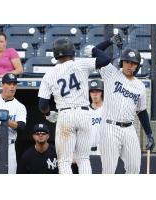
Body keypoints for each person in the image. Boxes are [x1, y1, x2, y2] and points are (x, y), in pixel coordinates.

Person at [38, 37, 112, 174]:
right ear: (72, 51)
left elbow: (42, 104)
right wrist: (95, 49)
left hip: (65, 115)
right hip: (84, 113)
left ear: (55, 54)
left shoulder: (49, 74)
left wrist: (48, 114)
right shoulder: (80, 64)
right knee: (83, 158)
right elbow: (106, 59)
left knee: (64, 161)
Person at [87, 36, 155, 173]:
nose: (130, 65)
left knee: (134, 168)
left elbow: (141, 111)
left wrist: (149, 134)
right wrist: (110, 41)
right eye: (127, 62)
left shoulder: (140, 86)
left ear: (137, 65)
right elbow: (95, 50)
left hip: (129, 129)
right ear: (122, 62)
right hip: (109, 128)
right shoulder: (111, 72)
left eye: (133, 63)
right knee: (109, 170)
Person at [0, 73, 27, 173]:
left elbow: (21, 126)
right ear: (2, 85)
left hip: (9, 146)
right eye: (9, 83)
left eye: (14, 84)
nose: (12, 87)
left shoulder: (19, 106)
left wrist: (6, 121)